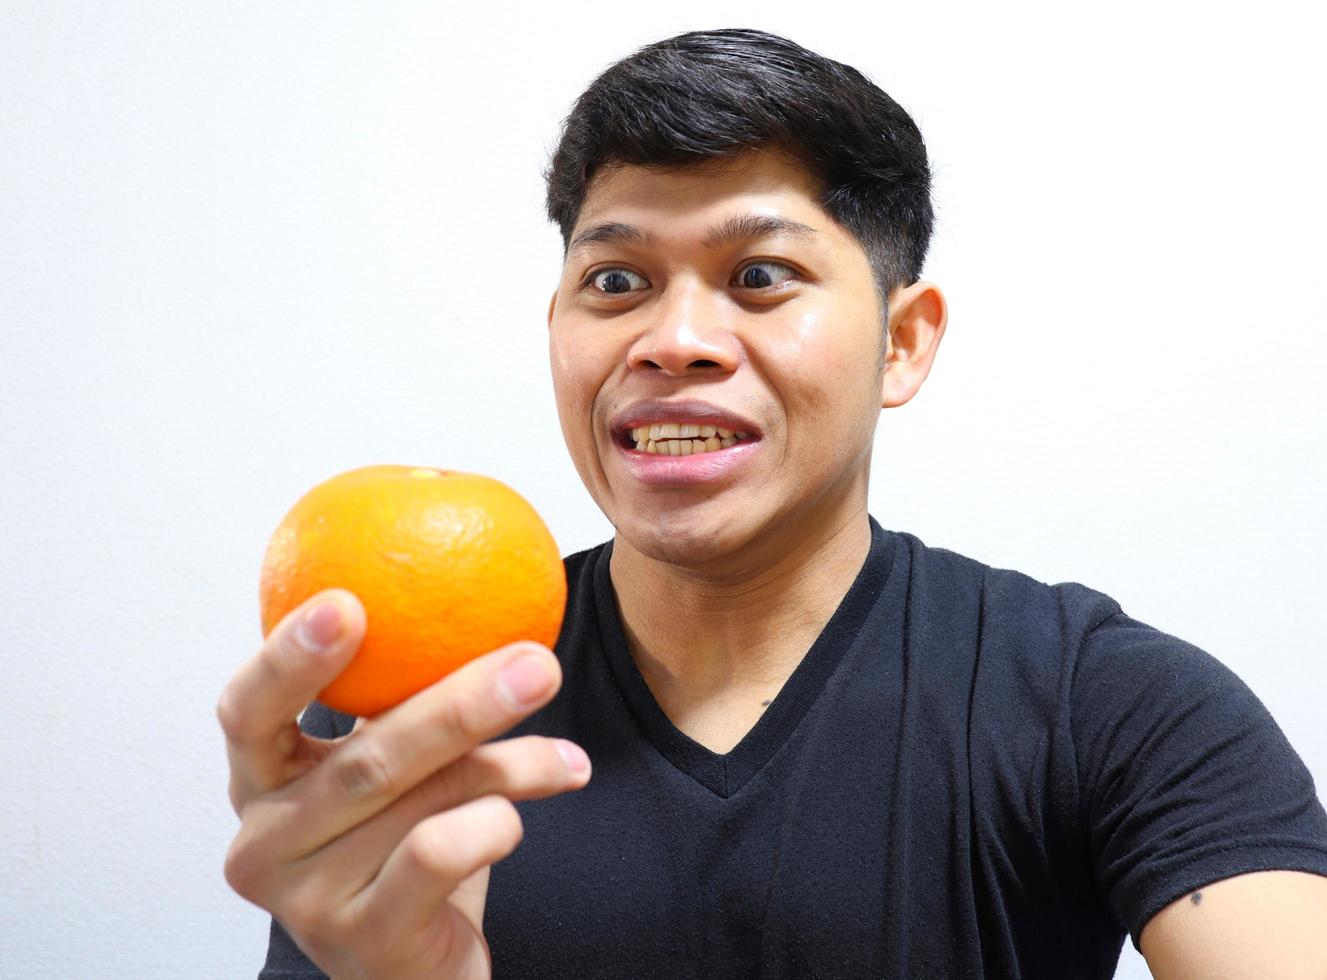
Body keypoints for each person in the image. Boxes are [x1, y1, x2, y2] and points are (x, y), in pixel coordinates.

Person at [219, 27, 1327, 979]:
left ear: (902, 339)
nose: (673, 341)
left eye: (759, 276)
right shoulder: (420, 703)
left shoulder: (1106, 700)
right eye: (616, 281)